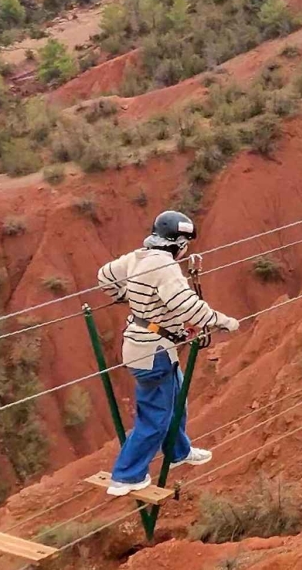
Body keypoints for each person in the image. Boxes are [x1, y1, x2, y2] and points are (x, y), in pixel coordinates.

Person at [98, 210, 238, 496]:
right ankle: (126, 476)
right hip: (153, 352)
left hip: (152, 345)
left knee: (177, 400)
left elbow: (105, 276)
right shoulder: (165, 267)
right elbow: (186, 306)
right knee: (155, 417)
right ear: (178, 243)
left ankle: (178, 452)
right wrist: (222, 321)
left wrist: (129, 298)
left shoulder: (137, 257)